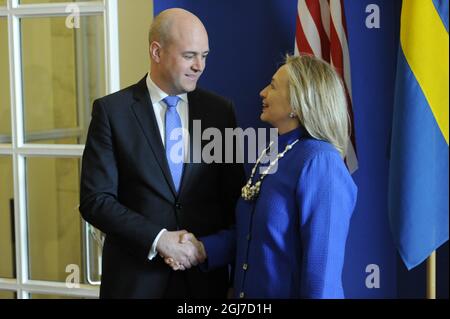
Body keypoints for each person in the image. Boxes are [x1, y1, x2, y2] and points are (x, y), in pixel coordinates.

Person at [79, 8, 245, 298]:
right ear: (157, 52)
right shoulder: (112, 112)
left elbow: (234, 200)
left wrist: (209, 251)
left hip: (204, 282)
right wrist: (159, 240)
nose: (199, 66)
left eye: (204, 56)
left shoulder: (220, 112)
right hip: (134, 283)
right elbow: (96, 200)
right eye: (189, 55)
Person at [167, 54, 357, 299]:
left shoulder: (321, 161)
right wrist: (203, 249)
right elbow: (252, 235)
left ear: (298, 103)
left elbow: (322, 272)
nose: (262, 92)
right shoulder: (273, 153)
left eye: (273, 86)